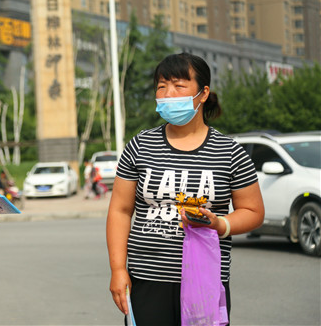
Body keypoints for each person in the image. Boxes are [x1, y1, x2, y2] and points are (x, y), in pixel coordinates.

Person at [106, 52, 264, 325]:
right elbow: (120, 210)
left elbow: (252, 211)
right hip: (147, 278)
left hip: (205, 279)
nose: (168, 94)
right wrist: (118, 269)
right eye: (161, 86)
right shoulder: (141, 146)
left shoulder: (229, 152)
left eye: (179, 86)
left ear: (203, 93)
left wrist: (219, 223)